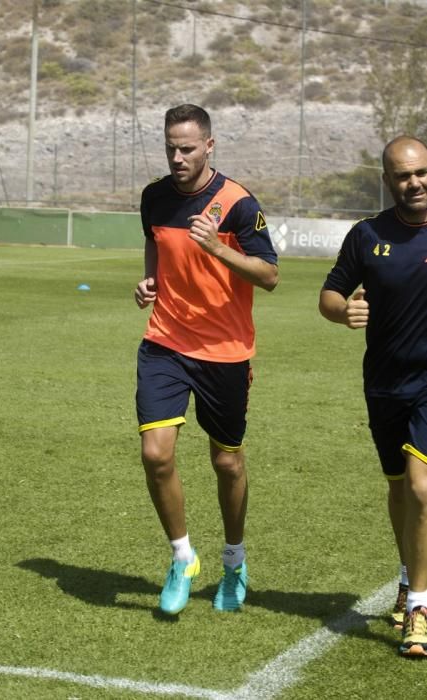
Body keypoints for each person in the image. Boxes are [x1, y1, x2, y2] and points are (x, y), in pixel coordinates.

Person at [134, 104, 279, 615]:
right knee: (156, 453)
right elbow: (155, 245)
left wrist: (218, 250)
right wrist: (150, 280)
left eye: (187, 148)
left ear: (210, 146)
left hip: (224, 352)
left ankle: (234, 562)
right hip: (165, 341)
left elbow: (268, 275)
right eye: (171, 147)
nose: (177, 157)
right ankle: (182, 557)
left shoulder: (238, 203)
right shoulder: (154, 197)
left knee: (227, 460)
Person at [319, 134, 427, 656]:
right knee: (399, 490)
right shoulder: (367, 235)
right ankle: (409, 573)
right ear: (388, 181)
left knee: (422, 487)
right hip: (383, 383)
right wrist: (342, 311)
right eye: (404, 175)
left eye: (422, 172)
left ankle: (419, 609)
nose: (415, 182)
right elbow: (331, 291)